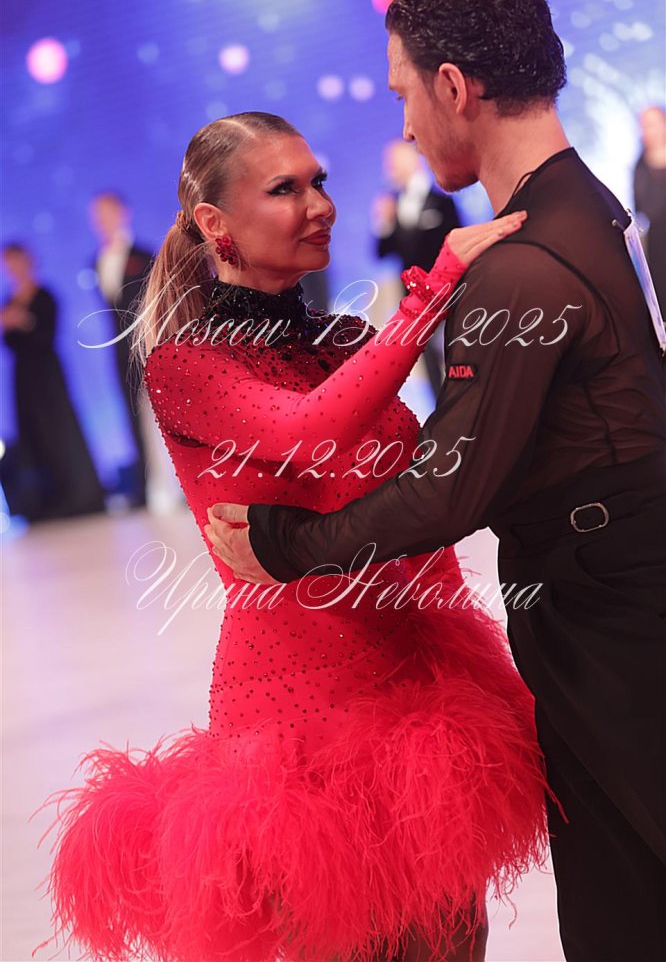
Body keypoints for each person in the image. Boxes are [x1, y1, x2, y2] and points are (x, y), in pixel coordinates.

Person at [204, 0, 666, 962]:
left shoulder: (521, 262)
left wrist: (286, 542)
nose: (406, 125)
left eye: (405, 94)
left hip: (612, 620)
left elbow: (453, 485)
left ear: (454, 86)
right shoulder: (589, 207)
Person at [30, 111, 548, 962]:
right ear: (215, 223)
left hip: (414, 690)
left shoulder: (345, 341)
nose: (320, 205)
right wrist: (431, 294)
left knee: (455, 943)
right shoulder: (187, 366)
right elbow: (309, 430)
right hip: (295, 719)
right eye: (285, 188)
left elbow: (421, 490)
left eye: (320, 182)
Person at [0, 243, 105, 521]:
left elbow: (46, 335)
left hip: (47, 374)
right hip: (23, 377)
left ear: (27, 261)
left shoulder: (44, 295)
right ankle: (45, 501)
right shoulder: (9, 301)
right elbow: (10, 343)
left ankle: (78, 496)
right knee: (33, 432)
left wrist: (24, 321)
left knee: (58, 429)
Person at [373, 138, 461, 396]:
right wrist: (383, 222)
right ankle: (439, 407)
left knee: (455, 352)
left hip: (446, 294)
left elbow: (457, 244)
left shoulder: (442, 202)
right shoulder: (391, 204)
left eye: (394, 161)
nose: (390, 168)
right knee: (426, 359)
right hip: (413, 299)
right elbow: (381, 252)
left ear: (414, 160)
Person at [89, 190, 153, 507]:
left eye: (107, 212)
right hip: (118, 348)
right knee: (131, 414)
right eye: (97, 215)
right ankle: (144, 485)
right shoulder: (96, 261)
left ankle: (175, 479)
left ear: (123, 213)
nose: (102, 221)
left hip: (147, 343)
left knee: (158, 412)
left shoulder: (143, 255)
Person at [633, 105, 666, 319]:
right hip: (659, 243)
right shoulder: (641, 165)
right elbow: (641, 208)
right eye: (644, 125)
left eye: (653, 124)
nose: (648, 130)